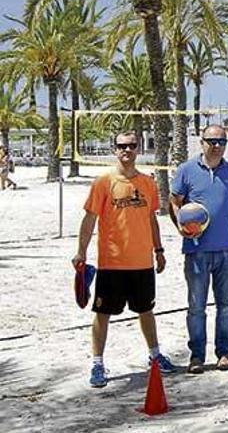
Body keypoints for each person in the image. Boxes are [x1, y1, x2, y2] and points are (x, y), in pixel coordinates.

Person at [72, 131, 174, 388]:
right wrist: (81, 251)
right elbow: (89, 219)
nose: (127, 150)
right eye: (122, 146)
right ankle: (97, 363)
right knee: (102, 313)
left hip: (142, 262)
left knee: (146, 310)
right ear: (114, 149)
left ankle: (155, 356)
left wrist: (159, 250)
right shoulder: (104, 182)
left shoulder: (148, 183)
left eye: (131, 145)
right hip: (112, 263)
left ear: (138, 149)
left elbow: (151, 219)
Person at [170, 125, 228, 374]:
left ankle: (224, 353)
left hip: (227, 250)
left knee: (226, 305)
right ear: (202, 142)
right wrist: (181, 227)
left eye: (221, 141)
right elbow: (175, 203)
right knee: (196, 307)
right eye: (212, 141)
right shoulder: (186, 170)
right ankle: (197, 356)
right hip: (196, 250)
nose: (217, 146)